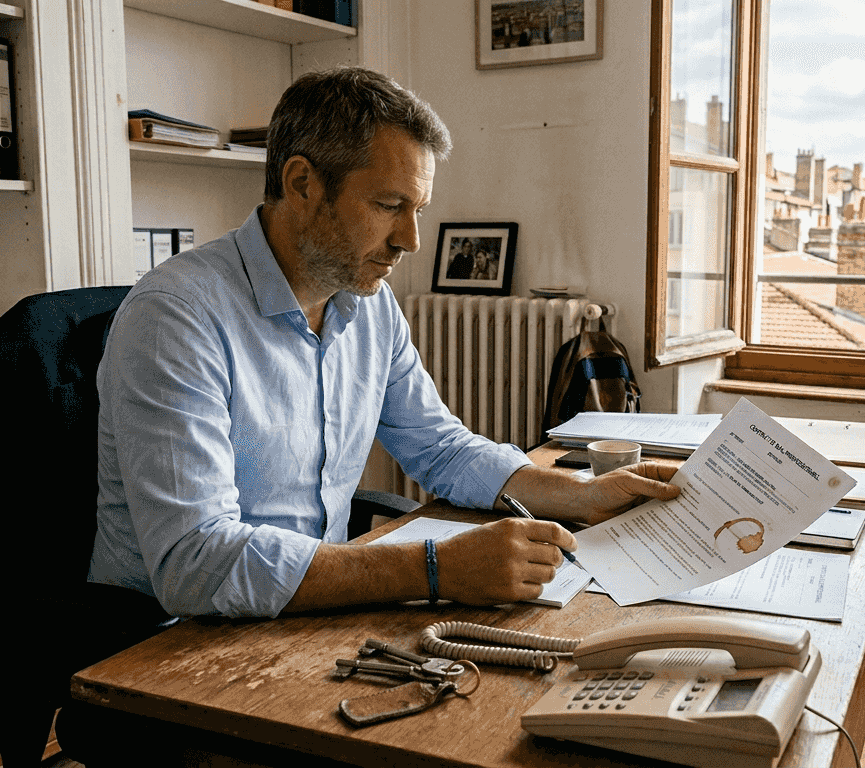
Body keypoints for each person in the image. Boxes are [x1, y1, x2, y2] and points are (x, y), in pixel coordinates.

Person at [88, 66, 679, 621]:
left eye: (417, 209)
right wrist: (434, 569)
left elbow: (441, 449)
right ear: (302, 185)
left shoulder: (367, 304)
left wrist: (582, 494)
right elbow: (196, 564)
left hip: (306, 617)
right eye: (390, 206)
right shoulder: (177, 318)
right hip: (169, 644)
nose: (413, 240)